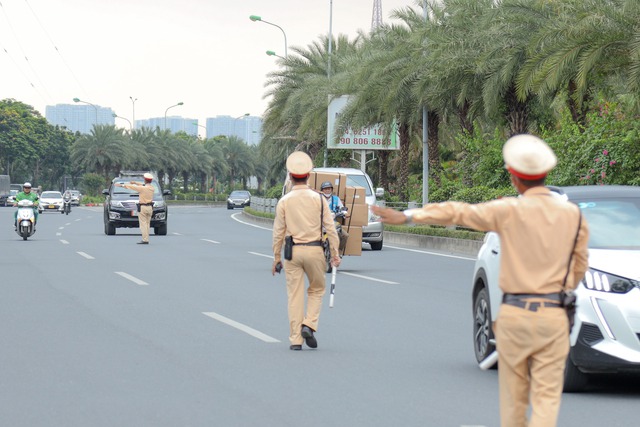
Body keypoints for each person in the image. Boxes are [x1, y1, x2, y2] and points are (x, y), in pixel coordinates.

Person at [371, 134, 589, 427]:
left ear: (514, 176)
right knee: (547, 399)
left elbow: (458, 211)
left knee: (514, 401)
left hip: (515, 315)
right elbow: (579, 267)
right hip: (554, 316)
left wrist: (407, 216)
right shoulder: (573, 215)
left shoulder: (508, 210)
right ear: (546, 173)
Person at [272, 152, 341, 351]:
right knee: (317, 289)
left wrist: (276, 257)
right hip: (315, 251)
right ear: (309, 176)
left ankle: (295, 339)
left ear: (291, 177)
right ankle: (309, 324)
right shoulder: (319, 200)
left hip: (292, 252)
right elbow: (331, 228)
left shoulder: (284, 201)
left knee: (294, 295)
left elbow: (278, 232)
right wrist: (335, 254)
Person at [116, 173, 155, 245]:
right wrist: (135, 183)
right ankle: (146, 238)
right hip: (150, 207)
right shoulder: (152, 188)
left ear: (145, 180)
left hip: (143, 207)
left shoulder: (142, 188)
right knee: (147, 224)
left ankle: (145, 240)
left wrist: (122, 185)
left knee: (143, 224)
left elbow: (131, 187)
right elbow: (142, 185)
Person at [320, 181, 350, 253]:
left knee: (345, 235)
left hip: (332, 222)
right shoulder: (318, 198)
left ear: (332, 190)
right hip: (320, 222)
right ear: (322, 190)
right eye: (325, 189)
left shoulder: (336, 199)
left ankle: (338, 252)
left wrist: (344, 213)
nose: (327, 190)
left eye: (329, 189)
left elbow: (342, 208)